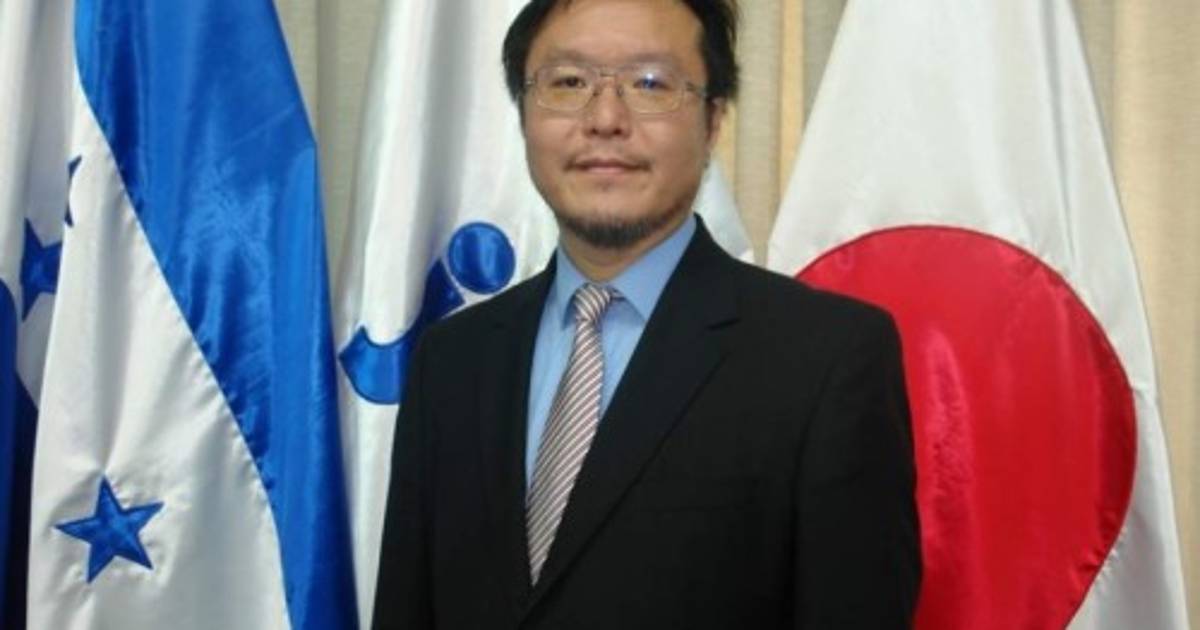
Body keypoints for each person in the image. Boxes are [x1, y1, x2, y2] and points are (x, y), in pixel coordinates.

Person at [372, 0, 921, 628]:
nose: (605, 119)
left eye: (651, 84)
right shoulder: (452, 359)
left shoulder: (825, 359)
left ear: (713, 120)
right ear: (523, 114)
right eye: (568, 82)